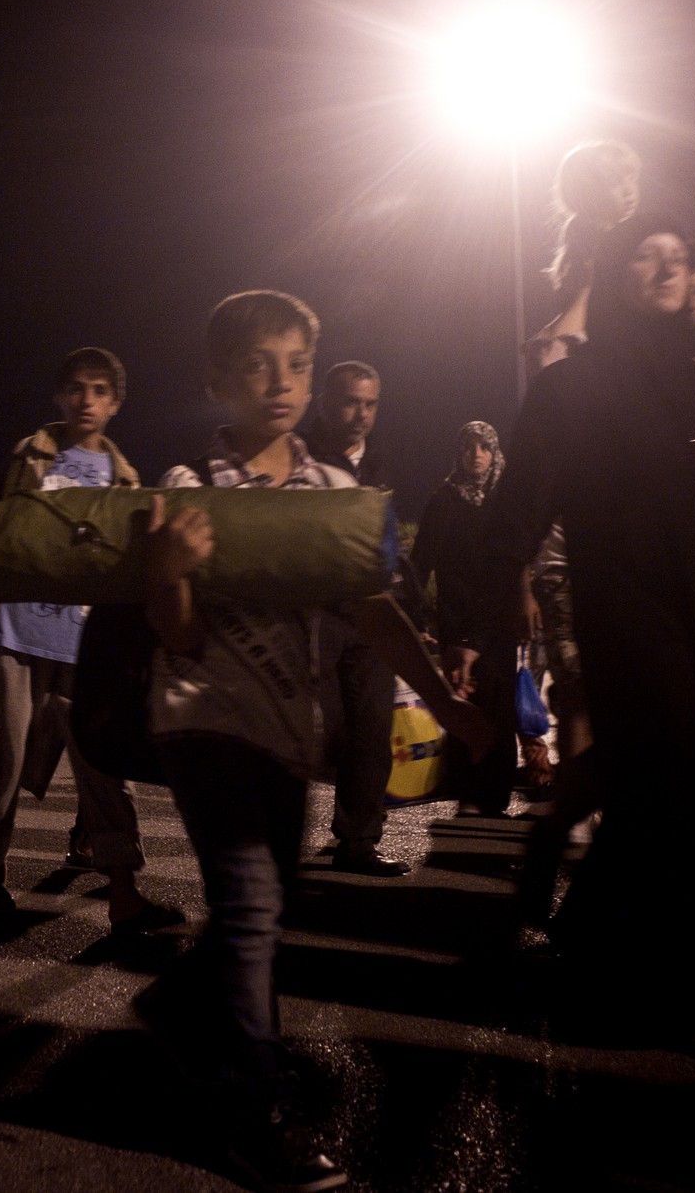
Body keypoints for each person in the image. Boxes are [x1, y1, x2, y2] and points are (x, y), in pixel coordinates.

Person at [137, 291, 489, 1190]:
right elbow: (175, 636)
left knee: (269, 904)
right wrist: (170, 575)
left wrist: (450, 707)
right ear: (218, 379)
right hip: (203, 719)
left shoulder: (335, 496)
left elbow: (378, 613)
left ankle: (181, 1005)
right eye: (258, 364)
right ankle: (253, 1112)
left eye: (297, 363)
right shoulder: (191, 488)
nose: (282, 382)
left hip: (288, 732)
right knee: (252, 904)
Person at [451, 217, 695, 1071]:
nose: (664, 268)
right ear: (616, 278)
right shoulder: (570, 386)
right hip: (623, 613)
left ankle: (590, 940)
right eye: (645, 256)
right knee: (685, 790)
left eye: (680, 258)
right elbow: (519, 513)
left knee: (655, 785)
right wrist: (481, 634)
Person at [0, 346, 174, 929]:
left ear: (116, 403)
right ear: (60, 396)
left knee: (104, 766)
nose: (87, 400)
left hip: (89, 645)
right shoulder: (30, 453)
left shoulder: (124, 475)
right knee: (1, 764)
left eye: (100, 391)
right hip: (19, 632)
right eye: (77, 388)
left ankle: (124, 890)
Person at [301, 361, 411, 876]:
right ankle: (275, 844)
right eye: (349, 401)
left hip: (370, 617)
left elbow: (389, 536)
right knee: (323, 730)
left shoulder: (383, 461)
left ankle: (359, 840)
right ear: (325, 401)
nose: (360, 414)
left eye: (369, 404)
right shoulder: (300, 459)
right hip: (316, 615)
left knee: (372, 729)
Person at [410, 422, 520, 817]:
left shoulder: (508, 502)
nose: (476, 454)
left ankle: (496, 793)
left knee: (500, 704)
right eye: (469, 447)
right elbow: (419, 564)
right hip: (456, 621)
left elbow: (517, 563)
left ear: (495, 453)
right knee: (463, 701)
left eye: (484, 447)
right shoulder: (444, 500)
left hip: (499, 621)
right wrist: (416, 616)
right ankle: (468, 792)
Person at [527, 139, 643, 352]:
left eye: (631, 178)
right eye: (615, 182)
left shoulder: (636, 238)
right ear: (587, 193)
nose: (629, 190)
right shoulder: (591, 247)